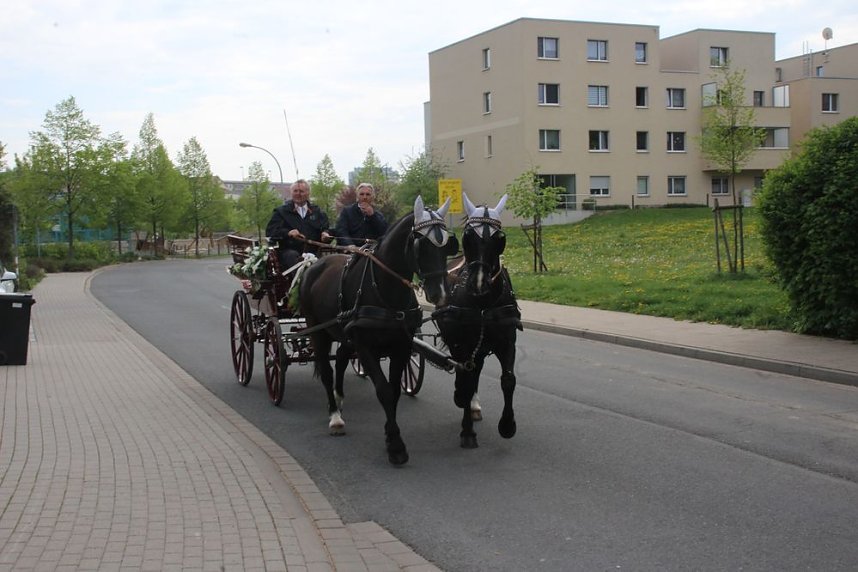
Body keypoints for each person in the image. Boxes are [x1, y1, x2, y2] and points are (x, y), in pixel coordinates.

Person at [265, 179, 332, 270]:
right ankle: (300, 282)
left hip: (314, 252)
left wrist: (325, 234)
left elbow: (326, 228)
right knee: (293, 256)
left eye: (301, 191)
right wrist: (288, 233)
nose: (298, 194)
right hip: (289, 252)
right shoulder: (281, 212)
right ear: (291, 193)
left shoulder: (318, 212)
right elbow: (270, 231)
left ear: (308, 193)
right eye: (295, 191)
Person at [334, 183, 389, 247]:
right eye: (362, 194)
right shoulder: (347, 211)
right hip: (351, 250)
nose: (365, 197)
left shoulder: (378, 215)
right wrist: (349, 244)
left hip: (371, 251)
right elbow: (341, 231)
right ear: (357, 196)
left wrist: (372, 216)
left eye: (368, 194)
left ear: (372, 197)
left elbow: (384, 233)